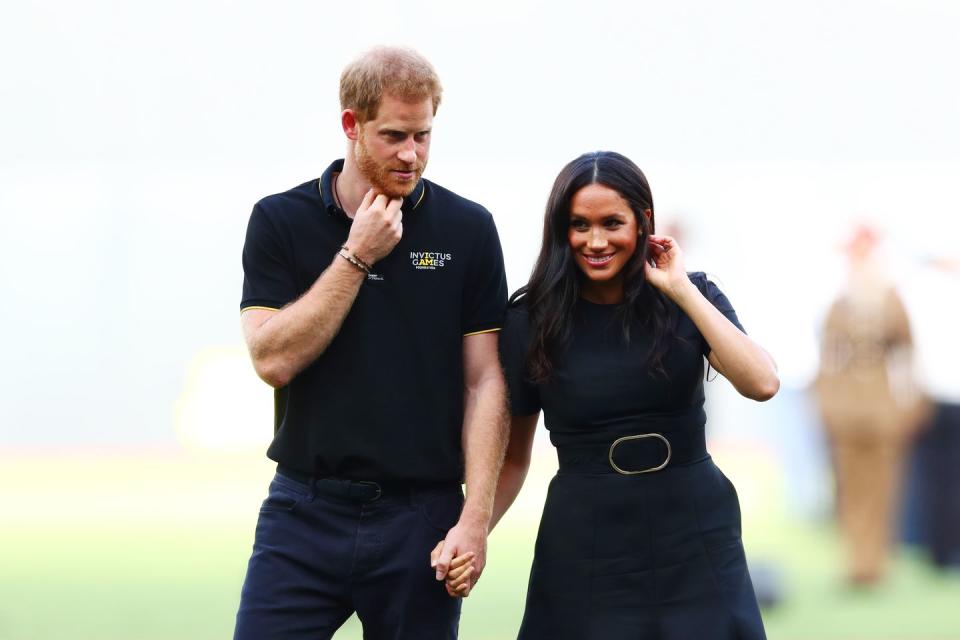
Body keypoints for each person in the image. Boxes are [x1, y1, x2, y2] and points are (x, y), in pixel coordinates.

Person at [444, 151, 779, 638]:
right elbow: (513, 458)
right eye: (579, 224)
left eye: (612, 223)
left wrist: (681, 290)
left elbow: (762, 382)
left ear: (643, 222)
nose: (595, 241)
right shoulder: (531, 319)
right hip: (585, 534)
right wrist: (472, 533)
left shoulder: (691, 295)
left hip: (694, 526)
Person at [234, 46, 509, 639]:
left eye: (424, 136)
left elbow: (485, 379)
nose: (411, 154)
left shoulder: (469, 229)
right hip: (304, 511)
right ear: (351, 125)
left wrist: (475, 519)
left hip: (423, 516)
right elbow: (272, 359)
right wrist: (357, 256)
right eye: (393, 136)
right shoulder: (280, 221)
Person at [814, 225, 929, 585]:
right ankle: (856, 560)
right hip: (847, 410)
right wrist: (824, 401)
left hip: (883, 408)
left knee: (883, 486)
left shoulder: (892, 300)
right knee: (848, 486)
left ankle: (876, 562)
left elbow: (908, 355)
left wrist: (912, 401)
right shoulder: (839, 304)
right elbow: (827, 360)